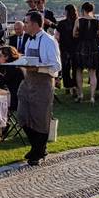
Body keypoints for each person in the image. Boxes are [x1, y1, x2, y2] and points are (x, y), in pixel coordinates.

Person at [17, 12, 61, 165]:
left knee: (41, 118)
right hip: (28, 81)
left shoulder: (49, 41)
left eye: (27, 22)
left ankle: (38, 151)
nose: (25, 25)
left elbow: (56, 66)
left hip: (43, 82)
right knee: (22, 116)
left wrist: (39, 69)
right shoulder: (29, 41)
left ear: (35, 24)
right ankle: (37, 147)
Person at [73, 2, 99, 104]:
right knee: (92, 73)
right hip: (93, 47)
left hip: (81, 46)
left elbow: (74, 34)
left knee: (79, 70)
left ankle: (81, 95)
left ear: (83, 9)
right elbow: (98, 34)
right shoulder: (97, 21)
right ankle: (92, 97)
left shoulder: (78, 20)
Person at [55, 5, 78, 96]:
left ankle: (68, 86)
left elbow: (57, 36)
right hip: (76, 48)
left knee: (66, 69)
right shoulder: (78, 22)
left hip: (64, 48)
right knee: (76, 69)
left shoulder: (61, 23)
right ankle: (75, 86)